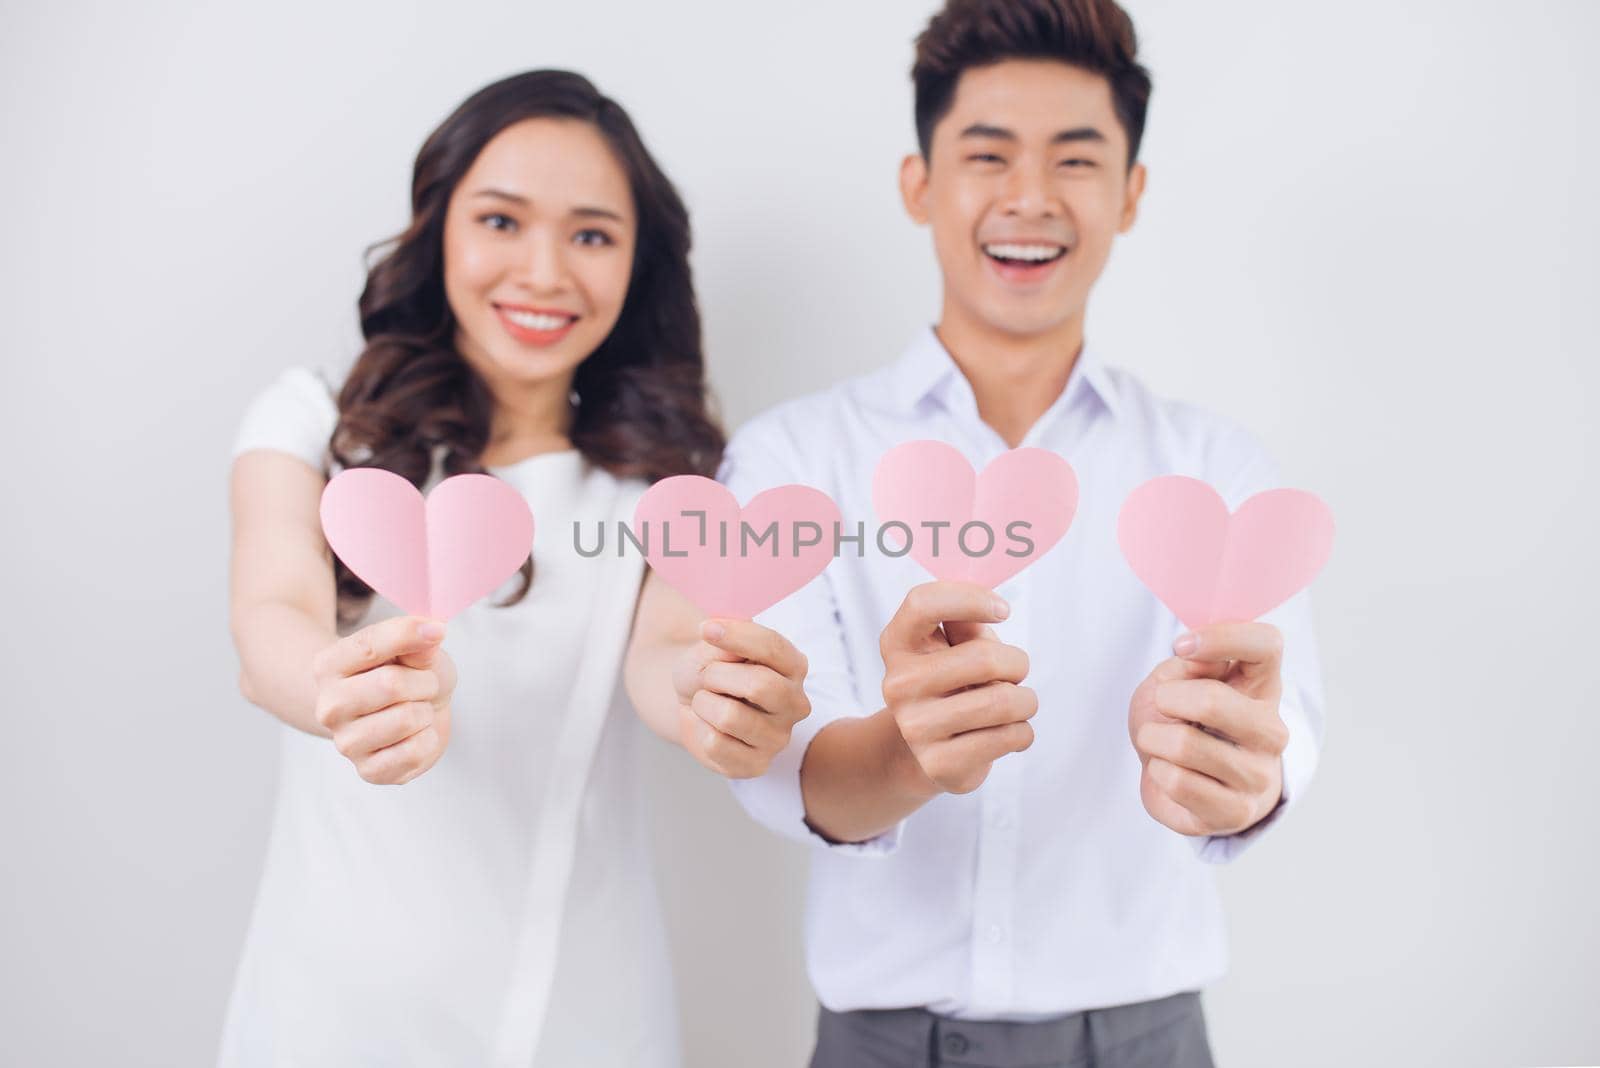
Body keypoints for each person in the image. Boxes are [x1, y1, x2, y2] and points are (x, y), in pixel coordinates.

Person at [716, 2, 1326, 1065]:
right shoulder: (790, 465)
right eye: (986, 155)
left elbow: (1288, 736)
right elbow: (788, 771)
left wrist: (1240, 775)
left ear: (1131, 194)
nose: (1030, 199)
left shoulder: (1215, 472)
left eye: (1076, 160)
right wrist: (908, 752)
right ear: (918, 184)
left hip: (1147, 1039)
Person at [222, 69, 810, 1067]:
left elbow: (666, 652)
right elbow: (271, 610)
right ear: (438, 228)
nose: (542, 272)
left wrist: (718, 695)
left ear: (638, 266)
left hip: (578, 1016)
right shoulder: (312, 425)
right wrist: (335, 686)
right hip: (324, 1007)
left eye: (590, 235)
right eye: (501, 221)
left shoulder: (661, 487)